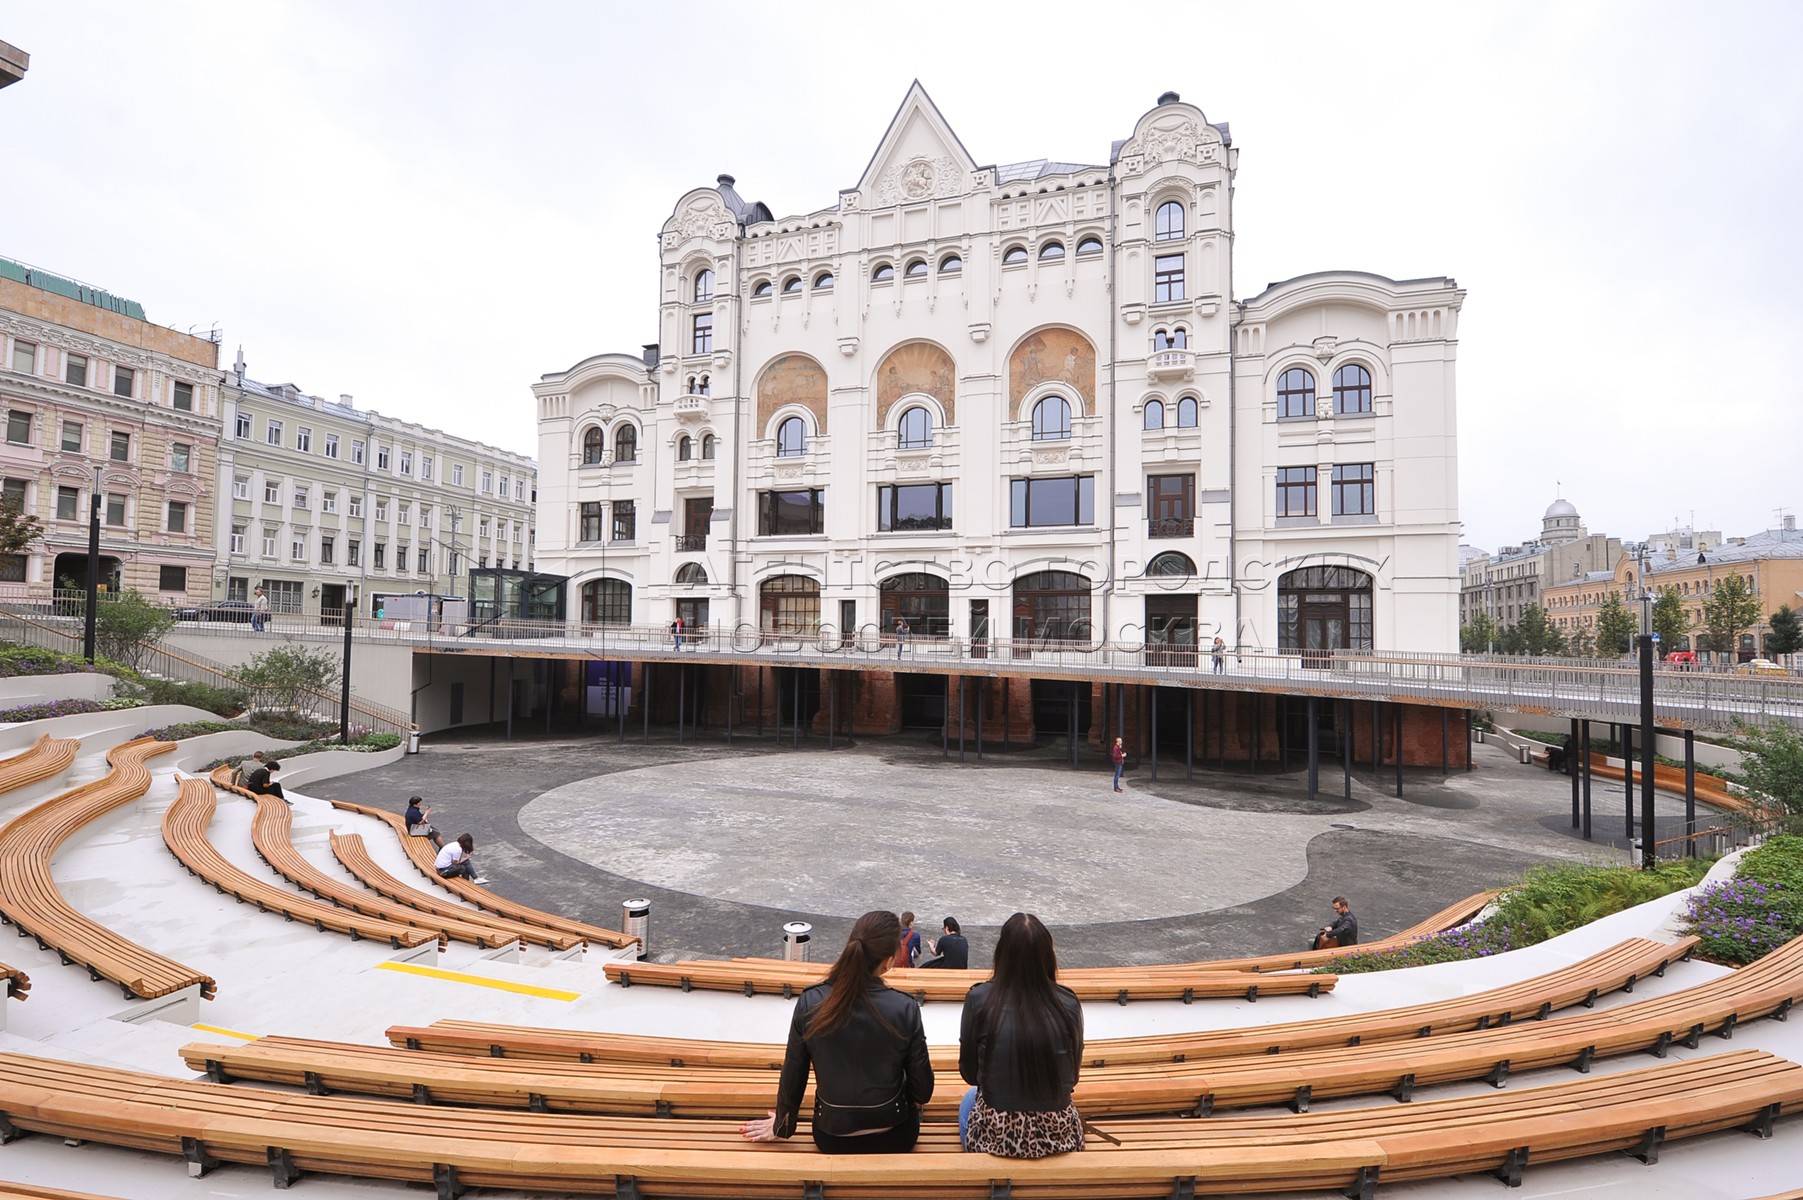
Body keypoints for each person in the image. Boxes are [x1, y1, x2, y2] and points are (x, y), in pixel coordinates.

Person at [740, 910, 934, 1153]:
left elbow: (794, 1073)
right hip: (896, 1136)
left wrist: (783, 1124)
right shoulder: (905, 1007)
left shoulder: (810, 1002)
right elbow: (922, 1091)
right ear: (889, 961)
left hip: (831, 1137)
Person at [958, 912, 1085, 1158]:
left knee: (968, 1100)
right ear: (1048, 956)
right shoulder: (1068, 1003)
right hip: (1059, 1140)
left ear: (1002, 954)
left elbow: (970, 1074)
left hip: (997, 1141)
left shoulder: (978, 999)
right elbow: (1072, 1078)